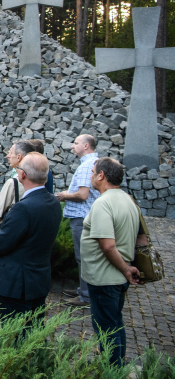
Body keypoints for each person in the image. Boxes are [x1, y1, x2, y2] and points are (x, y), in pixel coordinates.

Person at [0, 152, 62, 332]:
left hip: (16, 283)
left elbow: (4, 241)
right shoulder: (53, 202)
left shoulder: (23, 208)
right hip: (38, 279)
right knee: (32, 331)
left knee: (13, 333)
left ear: (23, 175)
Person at [81, 157, 143, 366]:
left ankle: (113, 369)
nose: (90, 176)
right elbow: (142, 238)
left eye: (92, 172)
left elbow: (107, 245)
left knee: (106, 328)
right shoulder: (128, 199)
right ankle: (118, 365)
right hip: (115, 278)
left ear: (102, 175)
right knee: (115, 323)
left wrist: (126, 269)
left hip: (105, 277)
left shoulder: (103, 203)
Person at [55, 134, 100, 307]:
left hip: (82, 217)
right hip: (86, 216)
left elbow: (82, 195)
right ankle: (83, 290)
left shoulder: (86, 166)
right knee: (84, 256)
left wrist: (64, 195)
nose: (72, 146)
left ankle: (86, 296)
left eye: (75, 143)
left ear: (86, 146)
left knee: (83, 257)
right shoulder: (92, 163)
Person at [0, 140, 33, 231]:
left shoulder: (13, 182)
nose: (7, 155)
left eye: (10, 152)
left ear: (19, 157)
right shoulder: (37, 178)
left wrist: (0, 232)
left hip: (12, 231)